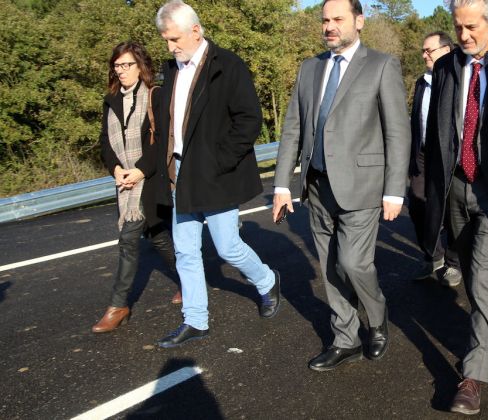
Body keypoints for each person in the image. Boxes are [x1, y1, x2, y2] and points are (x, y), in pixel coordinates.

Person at [273, 0, 410, 371]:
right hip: (316, 184)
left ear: (359, 21)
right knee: (330, 266)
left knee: (353, 262)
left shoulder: (381, 65)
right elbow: (293, 129)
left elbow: (398, 132)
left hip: (363, 185)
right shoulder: (309, 68)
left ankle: (377, 316)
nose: (329, 26)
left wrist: (394, 190)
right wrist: (282, 184)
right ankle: (346, 338)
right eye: (325, 20)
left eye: (338, 19)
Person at [422, 0, 488, 414]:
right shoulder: (447, 66)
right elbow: (437, 133)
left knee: (484, 279)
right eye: (457, 27)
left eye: (471, 27)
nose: (463, 36)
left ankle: (472, 377)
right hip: (454, 190)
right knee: (469, 273)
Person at [153, 0, 280, 348]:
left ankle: (267, 281)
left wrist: (219, 160)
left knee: (228, 247)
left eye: (175, 38)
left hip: (215, 172)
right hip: (179, 171)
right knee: (186, 250)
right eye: (166, 40)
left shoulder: (228, 66)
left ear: (196, 30)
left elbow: (249, 119)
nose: (170, 46)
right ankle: (196, 320)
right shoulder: (172, 69)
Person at [93, 41, 181, 333]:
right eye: (117, 66)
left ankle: (118, 306)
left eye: (126, 65)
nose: (120, 71)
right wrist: (117, 169)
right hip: (125, 182)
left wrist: (140, 171)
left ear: (140, 66)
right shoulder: (111, 101)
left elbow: (162, 143)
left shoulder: (155, 96)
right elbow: (106, 143)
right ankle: (188, 280)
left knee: (129, 239)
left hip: (149, 181)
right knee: (158, 239)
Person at [408, 31, 462, 286]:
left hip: (448, 157)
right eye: (423, 50)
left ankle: (453, 263)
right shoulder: (421, 82)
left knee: (451, 212)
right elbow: (415, 120)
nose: (424, 55)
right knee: (417, 204)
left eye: (430, 50)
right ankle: (433, 255)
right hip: (422, 154)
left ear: (448, 50)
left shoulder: (456, 79)